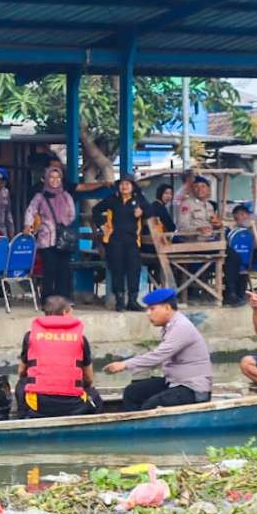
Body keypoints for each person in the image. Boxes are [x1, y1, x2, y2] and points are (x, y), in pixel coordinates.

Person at [104, 288, 213, 411]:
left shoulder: (181, 327)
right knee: (132, 392)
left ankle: (141, 425)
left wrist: (125, 365)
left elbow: (158, 356)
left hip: (192, 389)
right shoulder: (170, 326)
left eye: (152, 309)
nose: (148, 313)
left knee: (151, 405)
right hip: (173, 382)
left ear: (167, 308)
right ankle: (132, 424)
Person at [15, 295, 101, 418]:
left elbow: (21, 371)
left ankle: (23, 422)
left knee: (21, 385)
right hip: (74, 405)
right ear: (65, 312)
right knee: (95, 398)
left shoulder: (30, 336)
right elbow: (89, 378)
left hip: (38, 404)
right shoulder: (80, 338)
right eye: (71, 310)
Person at [92, 175, 147, 312]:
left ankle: (133, 301)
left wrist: (142, 212)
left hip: (133, 240)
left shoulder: (139, 200)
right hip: (114, 240)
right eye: (122, 184)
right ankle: (120, 301)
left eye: (128, 184)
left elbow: (152, 210)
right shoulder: (112, 200)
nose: (124, 186)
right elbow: (96, 210)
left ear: (133, 186)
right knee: (117, 270)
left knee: (134, 269)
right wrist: (102, 225)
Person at [25, 166, 76, 300]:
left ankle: (63, 299)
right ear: (46, 179)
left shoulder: (66, 196)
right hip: (46, 239)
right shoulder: (40, 197)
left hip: (63, 239)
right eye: (52, 177)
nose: (55, 180)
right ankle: (47, 300)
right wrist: (28, 225)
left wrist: (61, 222)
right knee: (49, 271)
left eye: (58, 178)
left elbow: (72, 215)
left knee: (64, 271)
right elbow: (31, 211)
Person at [223, 204, 257, 306]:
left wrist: (226, 225)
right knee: (240, 257)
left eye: (236, 218)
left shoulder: (253, 218)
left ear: (243, 214)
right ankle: (237, 292)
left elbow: (241, 226)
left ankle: (235, 292)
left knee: (239, 260)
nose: (236, 221)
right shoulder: (255, 220)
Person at [175, 176, 221, 241]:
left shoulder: (209, 205)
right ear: (192, 189)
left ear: (208, 189)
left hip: (210, 240)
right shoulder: (186, 204)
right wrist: (197, 229)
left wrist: (218, 225)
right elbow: (182, 227)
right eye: (196, 186)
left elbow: (212, 224)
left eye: (203, 186)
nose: (200, 189)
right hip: (195, 244)